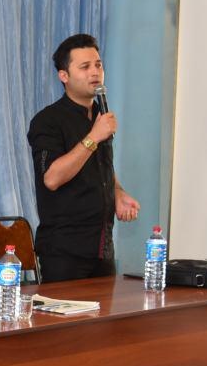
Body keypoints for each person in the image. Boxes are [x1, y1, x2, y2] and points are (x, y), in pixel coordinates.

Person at [26, 34, 140, 283]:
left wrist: (118, 193)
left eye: (98, 65)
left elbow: (101, 167)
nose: (95, 72)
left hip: (102, 249)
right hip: (64, 253)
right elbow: (52, 178)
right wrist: (93, 137)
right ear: (63, 76)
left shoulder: (100, 115)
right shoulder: (47, 121)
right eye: (85, 67)